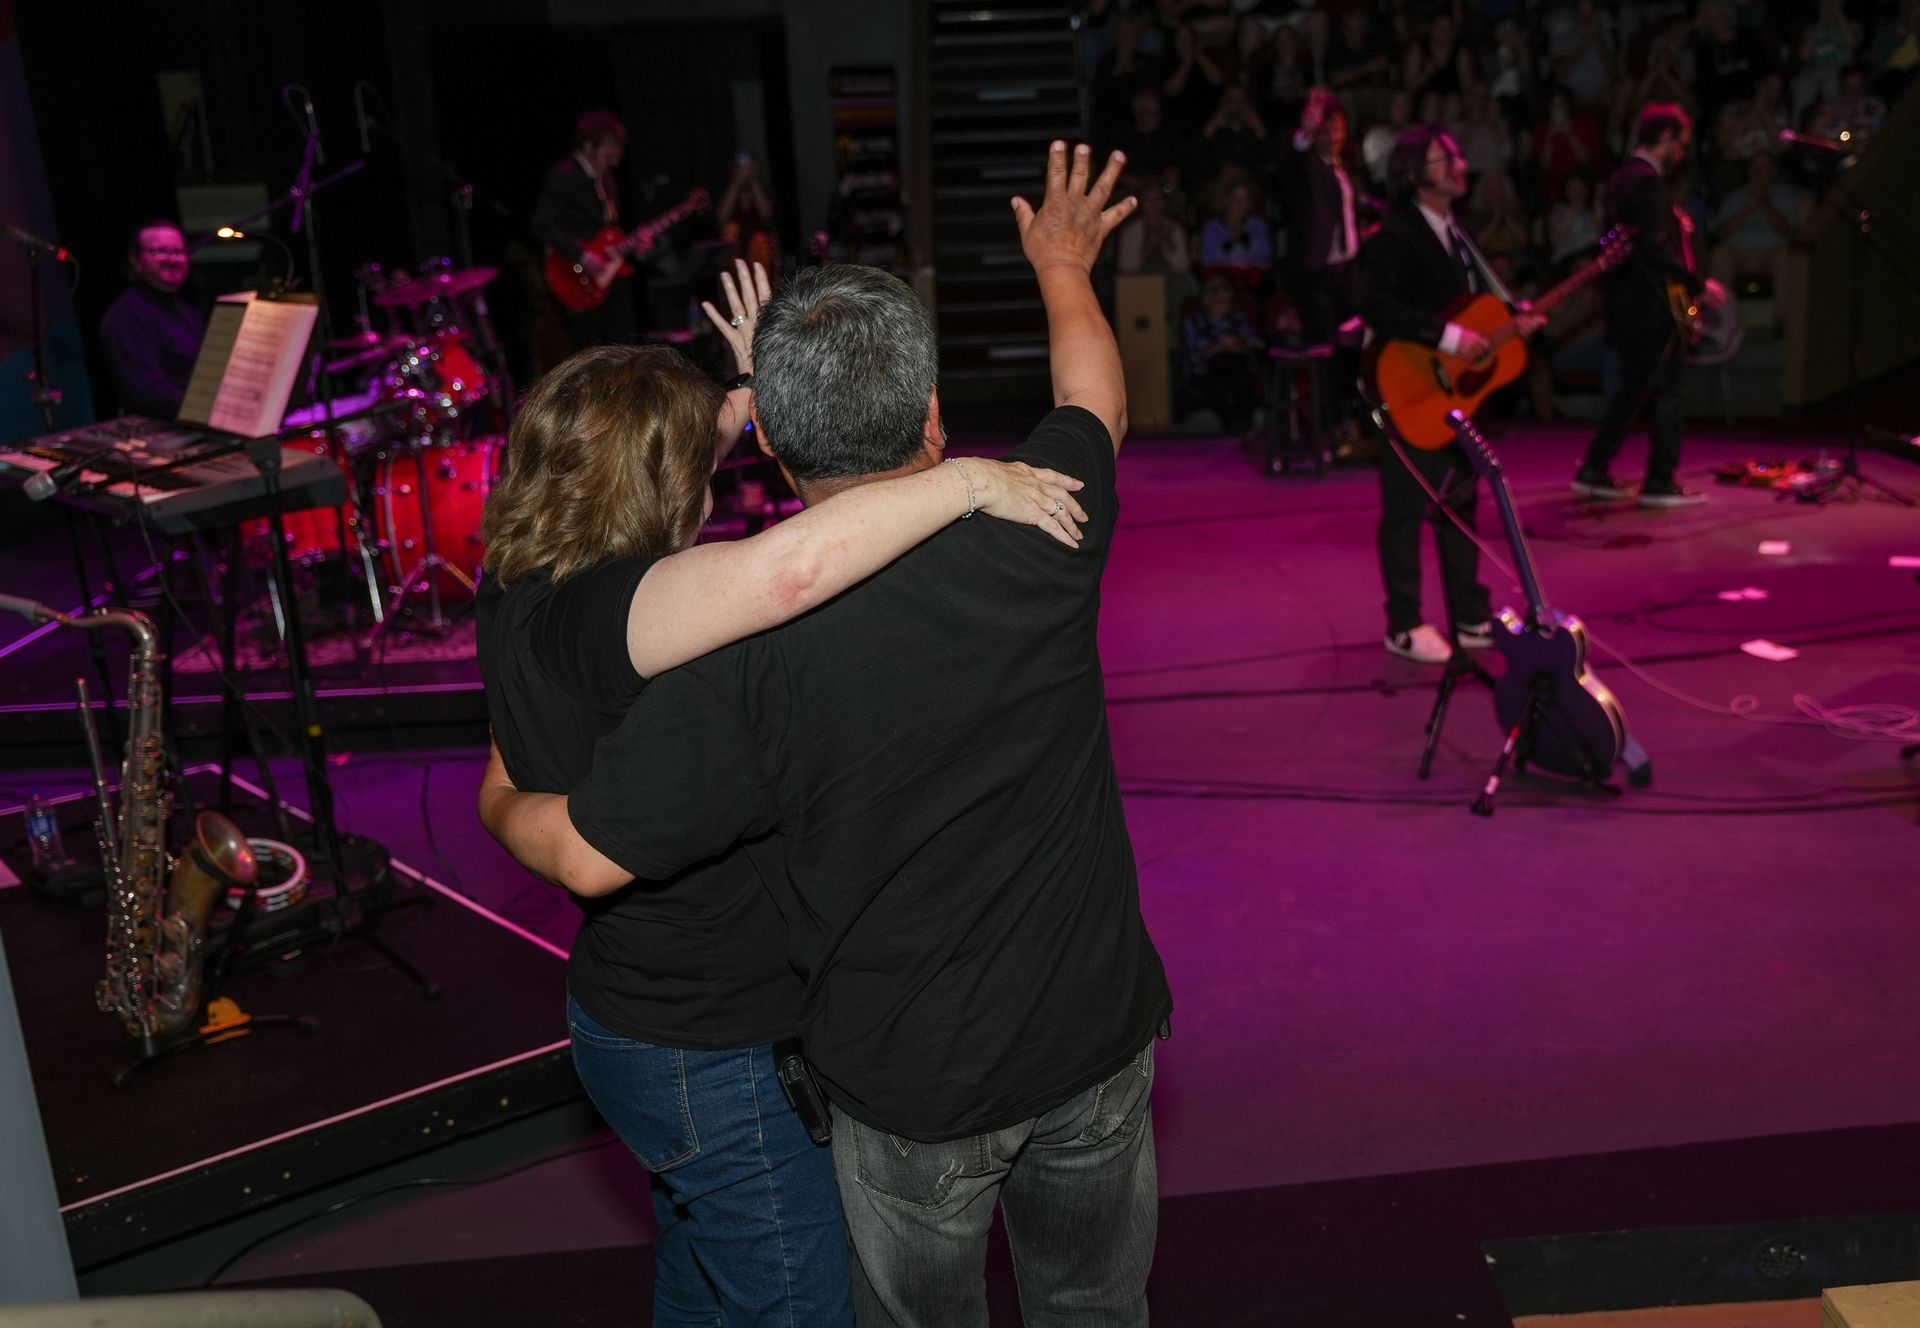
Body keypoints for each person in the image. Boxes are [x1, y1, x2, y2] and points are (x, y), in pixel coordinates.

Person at [480, 142, 1171, 1327]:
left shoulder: (728, 660)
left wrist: (499, 792)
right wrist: (1062, 263)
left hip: (912, 1087)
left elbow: (593, 850)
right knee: (1095, 1307)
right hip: (1092, 1032)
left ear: (772, 451)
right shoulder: (1043, 516)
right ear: (937, 411)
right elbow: (1093, 396)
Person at [1359, 126, 1543, 665]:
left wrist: (1511, 324)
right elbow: (1378, 307)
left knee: (1461, 502)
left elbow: (1470, 313)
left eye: (1457, 155)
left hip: (1447, 395)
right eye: (1445, 159)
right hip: (1406, 384)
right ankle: (1404, 623)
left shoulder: (1457, 233)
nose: (1460, 164)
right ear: (1415, 175)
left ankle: (1468, 611)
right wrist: (1448, 338)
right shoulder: (1393, 235)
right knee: (1404, 508)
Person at [1571, 103, 1725, 508]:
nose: (1682, 154)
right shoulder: (1648, 182)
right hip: (1651, 304)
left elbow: (1626, 242)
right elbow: (1653, 250)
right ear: (1667, 138)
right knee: (1668, 389)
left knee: (1634, 388)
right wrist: (1698, 287)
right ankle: (1659, 480)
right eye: (1681, 144)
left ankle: (1594, 467)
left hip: (1626, 301)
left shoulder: (1621, 178)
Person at [531, 110, 642, 349]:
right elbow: (542, 225)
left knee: (626, 345)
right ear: (589, 145)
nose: (616, 158)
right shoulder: (564, 176)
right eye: (609, 151)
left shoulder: (607, 180)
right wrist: (582, 255)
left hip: (610, 277)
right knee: (590, 349)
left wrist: (634, 243)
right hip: (576, 275)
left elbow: (608, 229)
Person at [98, 219, 203, 419]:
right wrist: (208, 411)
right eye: (159, 251)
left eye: (178, 251)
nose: (172, 259)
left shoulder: (189, 312)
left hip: (193, 421)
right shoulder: (127, 316)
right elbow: (147, 392)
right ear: (136, 262)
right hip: (161, 429)